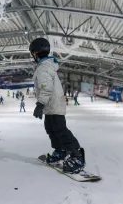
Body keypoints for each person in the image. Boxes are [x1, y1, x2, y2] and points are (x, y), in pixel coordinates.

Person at [29, 37, 85, 174]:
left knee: (60, 130)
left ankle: (77, 155)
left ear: (35, 52)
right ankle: (61, 151)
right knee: (51, 128)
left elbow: (46, 87)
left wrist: (40, 104)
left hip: (52, 104)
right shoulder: (46, 66)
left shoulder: (43, 68)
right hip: (52, 105)